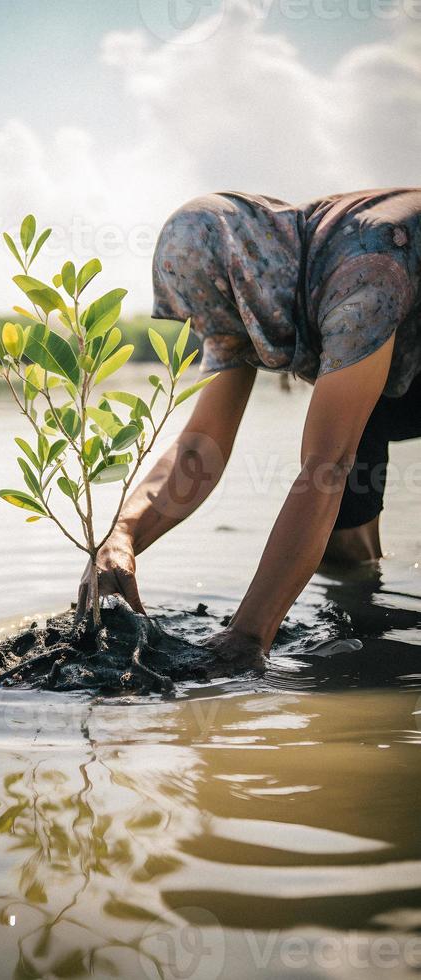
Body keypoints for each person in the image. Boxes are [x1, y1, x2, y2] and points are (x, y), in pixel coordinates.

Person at [79, 188, 421, 665]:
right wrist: (122, 534)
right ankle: (372, 627)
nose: (216, 334)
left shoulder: (365, 271)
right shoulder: (256, 286)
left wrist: (248, 635)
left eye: (216, 314)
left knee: (334, 463)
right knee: (343, 555)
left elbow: (326, 465)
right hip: (397, 364)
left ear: (239, 283)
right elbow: (201, 449)